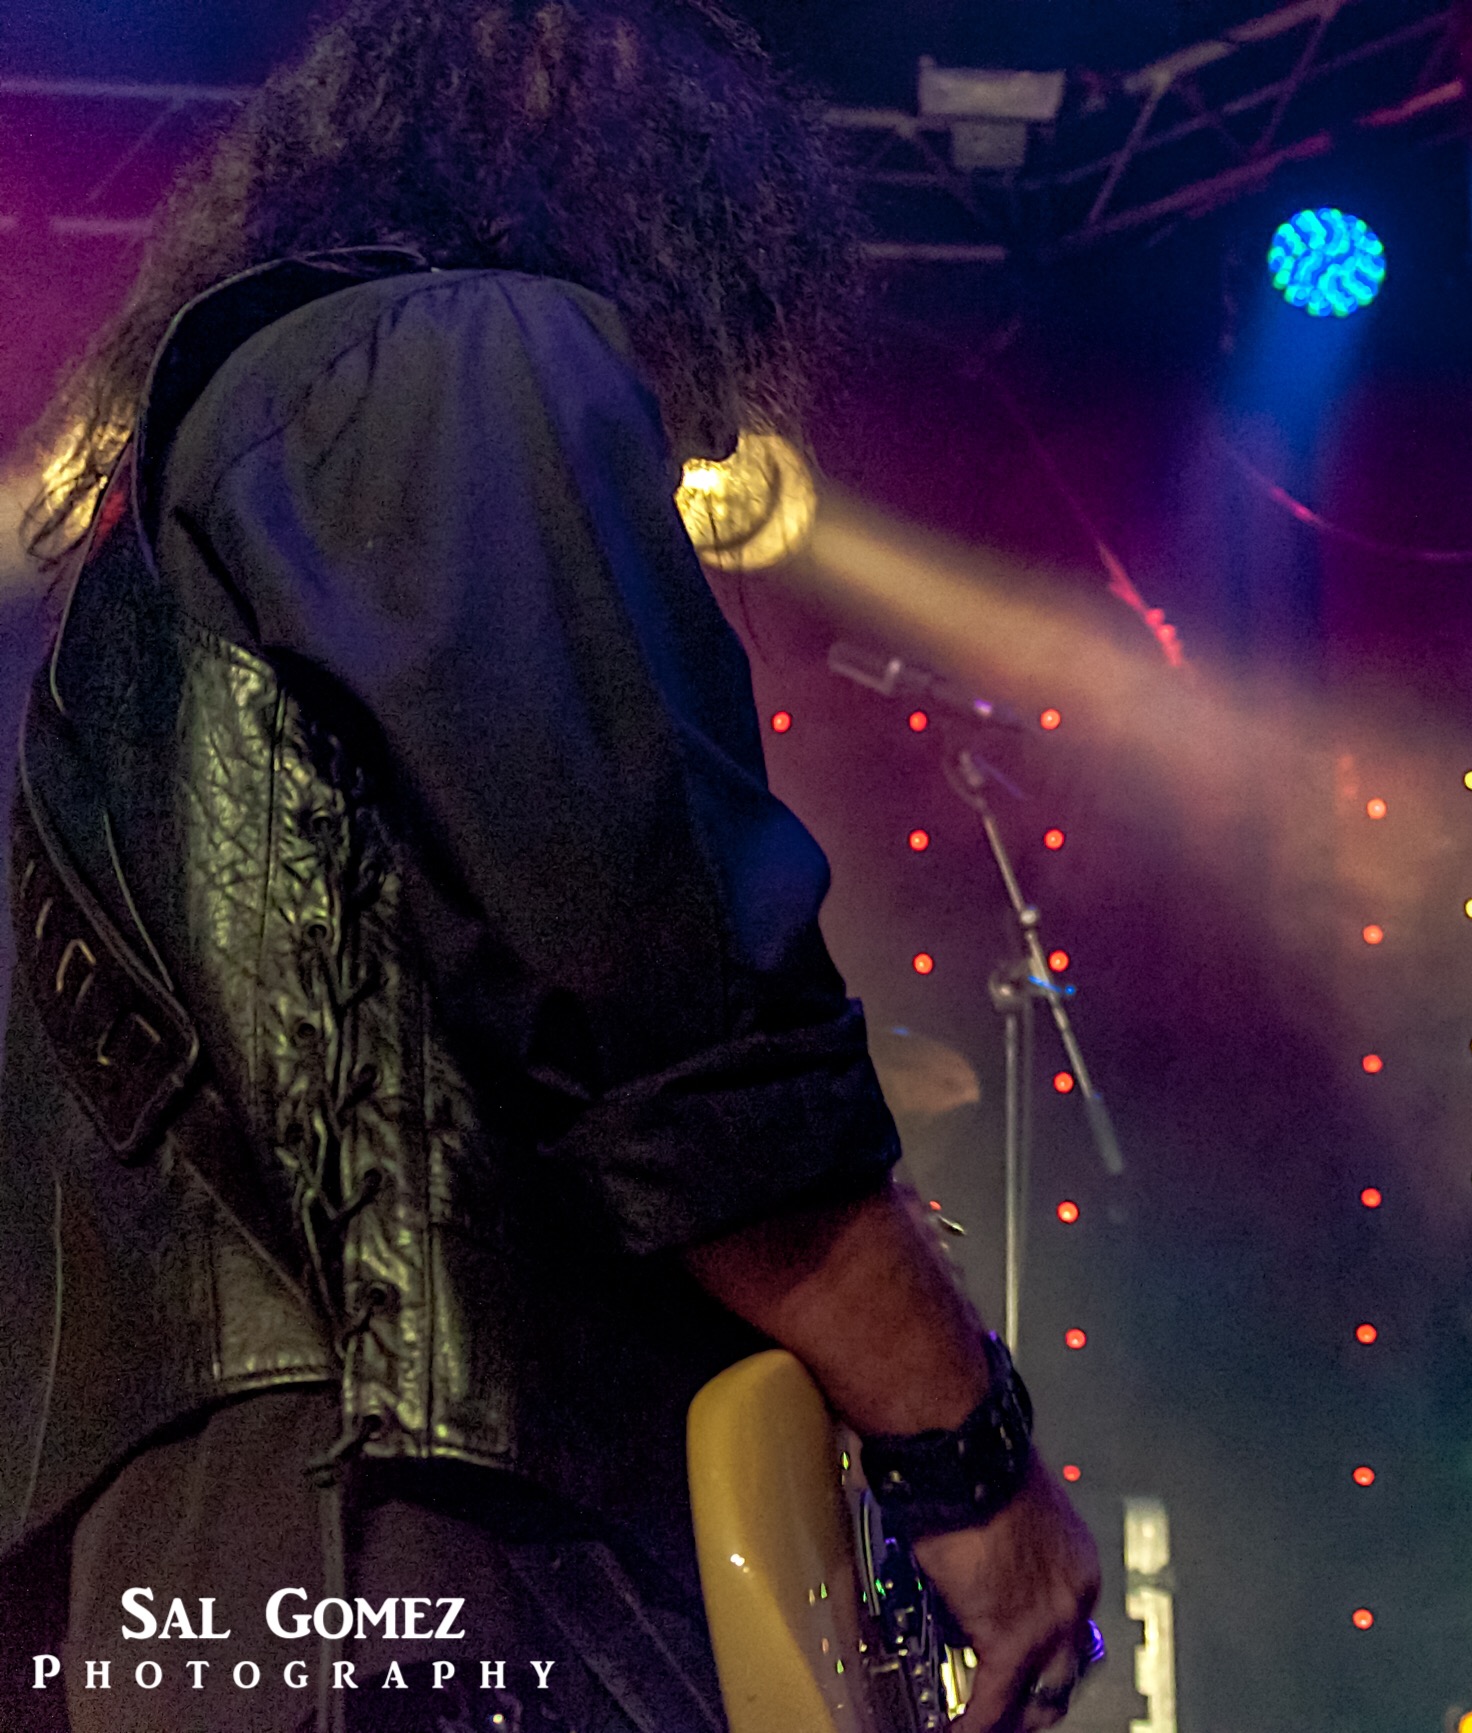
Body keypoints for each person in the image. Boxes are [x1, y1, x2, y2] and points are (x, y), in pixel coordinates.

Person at [0, 4, 1100, 1731]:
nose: (707, 431)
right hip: (421, 1536)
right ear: (649, 190)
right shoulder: (452, 353)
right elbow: (661, 998)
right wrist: (966, 1452)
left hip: (215, 1568)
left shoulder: (195, 511)